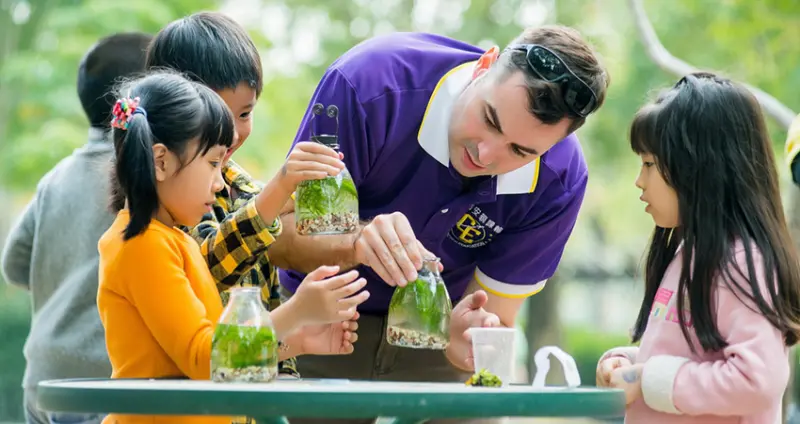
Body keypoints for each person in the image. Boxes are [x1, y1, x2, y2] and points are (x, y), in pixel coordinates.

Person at [267, 25, 609, 423]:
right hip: (318, 322)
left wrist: (466, 339)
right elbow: (275, 238)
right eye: (490, 120)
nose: (485, 154)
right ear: (484, 65)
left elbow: (493, 317)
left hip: (437, 339)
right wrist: (355, 241)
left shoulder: (560, 178)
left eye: (519, 150)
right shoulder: (370, 83)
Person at [98, 71, 367, 424]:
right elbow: (206, 360)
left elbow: (211, 353)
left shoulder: (174, 238)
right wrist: (295, 312)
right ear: (161, 161)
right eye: (213, 163)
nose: (220, 182)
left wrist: (295, 340)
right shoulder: (143, 245)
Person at [143, 11, 369, 378]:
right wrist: (280, 188)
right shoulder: (168, 197)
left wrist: (299, 341)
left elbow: (251, 319)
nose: (232, 134)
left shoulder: (240, 184)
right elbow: (209, 265)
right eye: (215, 116)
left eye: (244, 113)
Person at [595, 72, 800, 422]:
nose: (638, 181)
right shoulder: (686, 254)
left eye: (648, 165)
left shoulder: (741, 261)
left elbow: (757, 380)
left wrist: (647, 380)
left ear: (700, 170)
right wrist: (627, 365)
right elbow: (687, 357)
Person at [0, 32, 152, 424]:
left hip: (42, 377)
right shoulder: (143, 176)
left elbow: (14, 266)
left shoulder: (55, 178)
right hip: (101, 382)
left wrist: (66, 278)